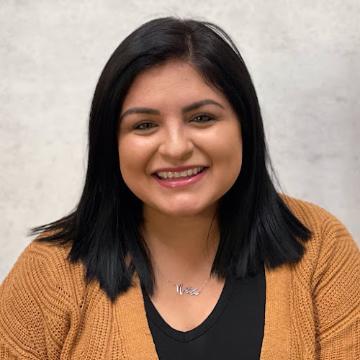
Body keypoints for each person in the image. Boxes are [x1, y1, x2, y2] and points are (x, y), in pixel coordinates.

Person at [0, 17, 359, 360]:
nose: (175, 148)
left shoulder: (319, 247)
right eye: (144, 125)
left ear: (244, 127)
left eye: (202, 118)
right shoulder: (47, 272)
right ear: (111, 144)